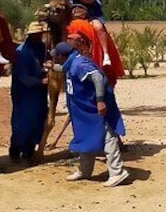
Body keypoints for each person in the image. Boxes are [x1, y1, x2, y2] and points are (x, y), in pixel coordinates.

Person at [51, 35, 129, 187]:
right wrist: (50, 67)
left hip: (96, 110)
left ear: (61, 56)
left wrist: (100, 101)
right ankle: (85, 170)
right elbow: (64, 68)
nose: (55, 59)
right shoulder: (72, 62)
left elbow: (98, 77)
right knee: (86, 137)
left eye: (56, 57)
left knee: (108, 137)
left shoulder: (80, 64)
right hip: (84, 113)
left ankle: (117, 172)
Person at [9, 21, 50, 163]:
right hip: (24, 93)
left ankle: (29, 151)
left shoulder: (42, 48)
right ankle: (15, 151)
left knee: (38, 119)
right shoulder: (22, 52)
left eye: (41, 34)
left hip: (38, 93)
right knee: (22, 122)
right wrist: (39, 82)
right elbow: (22, 76)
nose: (40, 36)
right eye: (37, 34)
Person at [61, 0, 111, 68]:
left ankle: (106, 55)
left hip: (91, 15)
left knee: (98, 27)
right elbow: (66, 1)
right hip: (74, 14)